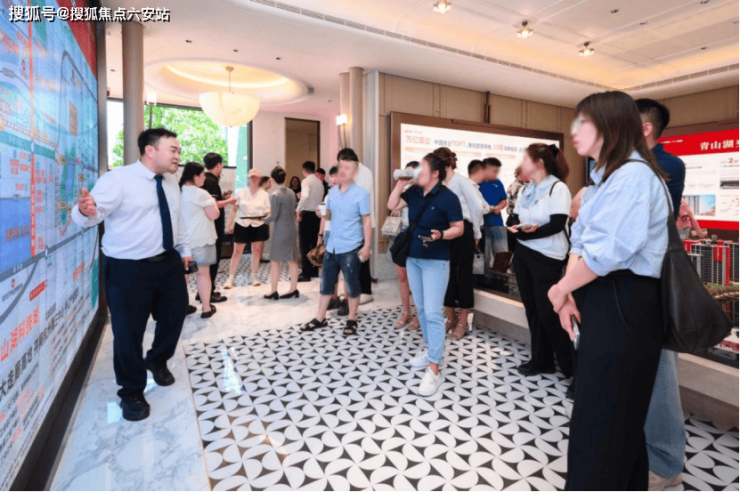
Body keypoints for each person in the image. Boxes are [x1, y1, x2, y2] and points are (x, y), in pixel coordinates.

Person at [548, 91, 669, 491]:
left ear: (610, 127)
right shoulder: (606, 177)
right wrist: (569, 293)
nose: (575, 130)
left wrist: (561, 288)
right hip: (600, 295)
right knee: (606, 417)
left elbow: (609, 252)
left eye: (583, 122)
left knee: (606, 420)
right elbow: (582, 239)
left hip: (625, 301)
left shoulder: (633, 176)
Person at [71, 128, 191, 422]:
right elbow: (88, 215)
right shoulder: (119, 179)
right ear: (150, 150)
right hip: (128, 268)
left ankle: (157, 359)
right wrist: (85, 211)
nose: (178, 155)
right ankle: (131, 391)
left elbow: (177, 218)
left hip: (168, 262)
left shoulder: (171, 181)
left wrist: (184, 249)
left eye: (178, 150)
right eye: (173, 150)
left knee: (175, 316)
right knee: (128, 332)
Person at [637, 98, 695, 492]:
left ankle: (666, 463)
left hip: (653, 278)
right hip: (627, 282)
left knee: (659, 369)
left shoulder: (667, 165)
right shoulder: (620, 165)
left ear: (645, 128)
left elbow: (648, 220)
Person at [387, 152, 464, 396]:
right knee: (421, 310)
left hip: (436, 262)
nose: (417, 172)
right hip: (413, 259)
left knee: (432, 312)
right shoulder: (414, 192)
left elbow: (459, 228)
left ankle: (435, 369)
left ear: (435, 173)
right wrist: (400, 183)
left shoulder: (448, 197)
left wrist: (442, 235)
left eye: (422, 168)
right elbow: (392, 205)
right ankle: (431, 351)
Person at [506, 144, 574, 395]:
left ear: (539, 163)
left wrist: (528, 233)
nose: (522, 163)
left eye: (526, 158)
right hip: (524, 254)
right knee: (533, 310)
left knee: (551, 314)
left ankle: (575, 371)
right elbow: (515, 217)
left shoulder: (558, 188)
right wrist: (517, 227)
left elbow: (557, 223)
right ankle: (541, 360)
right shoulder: (527, 189)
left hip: (548, 256)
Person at [301, 158, 371, 336]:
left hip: (351, 246)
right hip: (332, 245)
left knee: (352, 285)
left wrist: (367, 246)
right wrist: (323, 214)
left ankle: (352, 318)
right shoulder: (332, 192)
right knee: (326, 284)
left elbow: (366, 220)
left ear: (354, 173)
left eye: (348, 168)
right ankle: (320, 318)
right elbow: (330, 215)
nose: (343, 171)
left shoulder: (361, 194)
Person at [435, 147, 484, 341]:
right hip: (445, 233)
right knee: (444, 275)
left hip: (464, 231)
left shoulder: (462, 182)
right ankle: (450, 317)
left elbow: (477, 207)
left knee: (463, 275)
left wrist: (477, 232)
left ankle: (463, 320)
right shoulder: (438, 184)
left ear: (446, 165)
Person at [179, 162, 220, 318]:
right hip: (201, 239)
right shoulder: (201, 193)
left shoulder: (178, 191)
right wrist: (214, 203)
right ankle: (206, 308)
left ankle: (182, 307)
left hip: (182, 241)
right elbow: (214, 214)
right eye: (202, 175)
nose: (204, 178)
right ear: (195, 177)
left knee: (184, 275)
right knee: (203, 274)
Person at [224, 168, 271, 288]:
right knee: (237, 251)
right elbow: (234, 209)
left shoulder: (264, 194)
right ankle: (231, 277)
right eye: (252, 177)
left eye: (256, 177)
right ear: (249, 178)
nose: (254, 179)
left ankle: (254, 276)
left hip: (258, 223)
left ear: (260, 179)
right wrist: (229, 223)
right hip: (242, 223)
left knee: (256, 251)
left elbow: (268, 209)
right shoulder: (241, 192)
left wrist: (268, 211)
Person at [342, 148, 376, 304]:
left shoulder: (365, 172)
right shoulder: (355, 172)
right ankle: (356, 290)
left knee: (362, 257)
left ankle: (365, 291)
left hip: (362, 222)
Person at [201, 152, 236, 303]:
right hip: (213, 227)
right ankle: (208, 293)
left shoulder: (205, 179)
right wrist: (229, 201)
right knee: (213, 261)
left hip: (208, 226)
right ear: (218, 165)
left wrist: (222, 197)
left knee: (208, 262)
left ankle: (204, 292)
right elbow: (213, 205)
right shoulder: (211, 181)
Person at [262, 166, 301, 300]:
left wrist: (262, 220)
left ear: (272, 180)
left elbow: (273, 216)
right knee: (292, 260)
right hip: (292, 228)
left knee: (275, 261)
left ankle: (273, 291)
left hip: (280, 230)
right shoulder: (291, 192)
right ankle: (293, 289)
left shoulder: (275, 195)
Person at [392, 161, 420, 330]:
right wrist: (400, 187)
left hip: (418, 235)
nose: (408, 177)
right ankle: (406, 311)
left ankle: (419, 314)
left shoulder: (422, 190)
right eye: (406, 173)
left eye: (411, 174)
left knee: (417, 279)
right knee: (402, 276)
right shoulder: (405, 191)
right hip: (403, 233)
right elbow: (393, 209)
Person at [318, 165, 344, 312]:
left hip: (342, 234)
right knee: (330, 269)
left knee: (345, 270)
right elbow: (325, 218)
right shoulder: (328, 196)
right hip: (329, 233)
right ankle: (334, 298)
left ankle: (346, 300)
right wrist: (320, 235)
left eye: (336, 176)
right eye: (332, 176)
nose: (333, 179)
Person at [296, 161, 325, 281]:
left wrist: (298, 209)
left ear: (304, 170)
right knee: (314, 243)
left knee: (304, 244)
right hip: (317, 215)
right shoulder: (319, 183)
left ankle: (305, 273)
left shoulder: (306, 181)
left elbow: (305, 196)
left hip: (307, 215)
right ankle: (314, 270)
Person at [480, 157, 509, 267]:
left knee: (502, 255)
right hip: (481, 225)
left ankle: (502, 275)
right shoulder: (476, 183)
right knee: (483, 257)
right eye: (494, 171)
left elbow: (504, 200)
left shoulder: (498, 182)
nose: (496, 174)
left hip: (497, 223)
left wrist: (499, 207)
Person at [505, 166, 531, 252]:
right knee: (517, 249)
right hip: (515, 220)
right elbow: (521, 206)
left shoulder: (515, 184)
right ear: (521, 174)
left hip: (512, 219)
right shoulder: (519, 187)